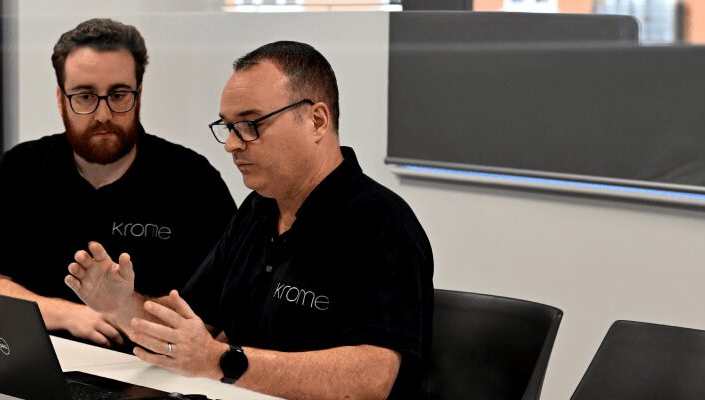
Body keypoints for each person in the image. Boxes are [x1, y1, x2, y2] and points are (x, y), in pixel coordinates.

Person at [66, 41, 434, 399]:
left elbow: (374, 377)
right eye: (228, 126)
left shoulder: (383, 224)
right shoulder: (257, 211)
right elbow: (188, 333)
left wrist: (223, 361)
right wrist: (121, 305)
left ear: (317, 120)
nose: (232, 144)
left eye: (250, 124)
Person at [0, 18, 234, 348]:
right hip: (36, 359)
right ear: (61, 99)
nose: (103, 114)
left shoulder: (193, 181)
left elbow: (211, 323)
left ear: (139, 95)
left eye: (118, 95)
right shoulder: (21, 168)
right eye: (85, 96)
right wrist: (68, 314)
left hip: (150, 371)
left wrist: (122, 308)